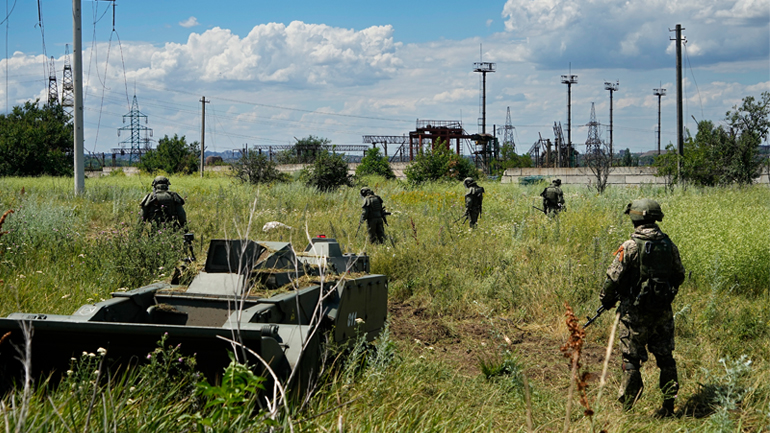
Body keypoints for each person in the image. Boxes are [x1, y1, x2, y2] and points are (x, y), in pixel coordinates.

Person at [599, 199, 685, 417]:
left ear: (636, 217)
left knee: (631, 361)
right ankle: (669, 407)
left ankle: (627, 410)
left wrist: (606, 300)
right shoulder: (668, 244)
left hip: (634, 315)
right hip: (663, 313)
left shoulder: (629, 246)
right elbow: (679, 275)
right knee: (666, 359)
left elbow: (612, 280)